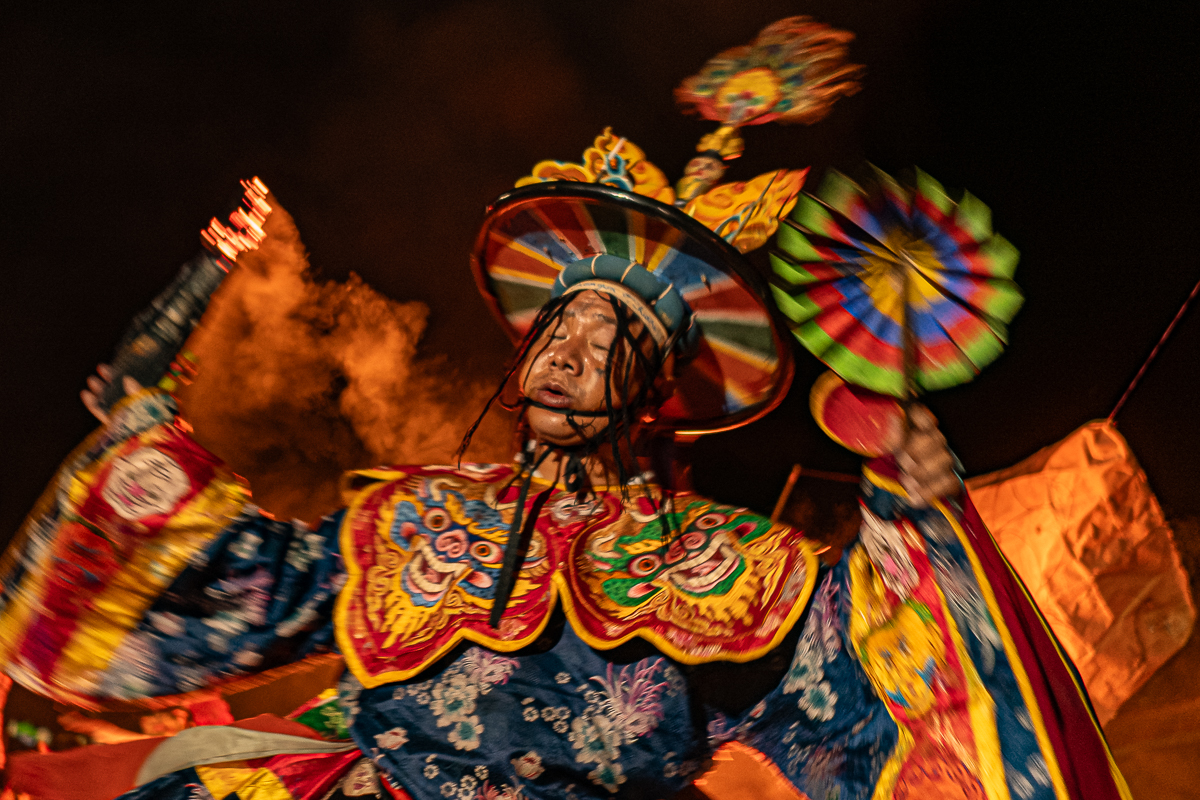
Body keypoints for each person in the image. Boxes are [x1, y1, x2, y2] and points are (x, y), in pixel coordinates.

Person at [0, 179, 1128, 800]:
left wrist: (914, 518)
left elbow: (890, 703)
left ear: (654, 395)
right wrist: (161, 429)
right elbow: (208, 599)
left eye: (618, 333)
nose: (573, 346)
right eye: (563, 317)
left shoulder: (732, 567)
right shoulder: (408, 517)